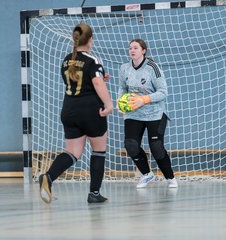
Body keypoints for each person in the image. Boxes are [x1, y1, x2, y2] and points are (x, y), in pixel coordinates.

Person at [39, 23, 113, 204]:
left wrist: (97, 78)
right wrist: (109, 104)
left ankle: (48, 177)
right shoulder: (92, 60)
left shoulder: (66, 59)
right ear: (90, 40)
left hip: (69, 110)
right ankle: (94, 193)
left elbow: (74, 80)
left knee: (72, 152)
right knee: (98, 150)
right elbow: (96, 83)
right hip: (90, 111)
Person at [118, 39, 177, 188]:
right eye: (130, 48)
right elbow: (122, 88)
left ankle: (170, 177)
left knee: (156, 146)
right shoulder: (124, 68)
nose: (132, 50)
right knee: (130, 145)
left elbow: (163, 92)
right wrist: (120, 103)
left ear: (143, 51)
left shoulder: (153, 68)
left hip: (155, 113)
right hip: (134, 113)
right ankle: (147, 174)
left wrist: (143, 99)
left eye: (135, 48)